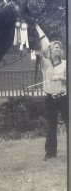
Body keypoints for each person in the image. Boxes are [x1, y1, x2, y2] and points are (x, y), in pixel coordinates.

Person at [35, 24, 68, 160]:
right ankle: (50, 154)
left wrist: (60, 78)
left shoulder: (66, 63)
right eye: (56, 47)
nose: (58, 49)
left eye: (60, 48)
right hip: (49, 99)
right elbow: (39, 50)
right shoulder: (45, 62)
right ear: (51, 50)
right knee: (51, 127)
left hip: (64, 98)